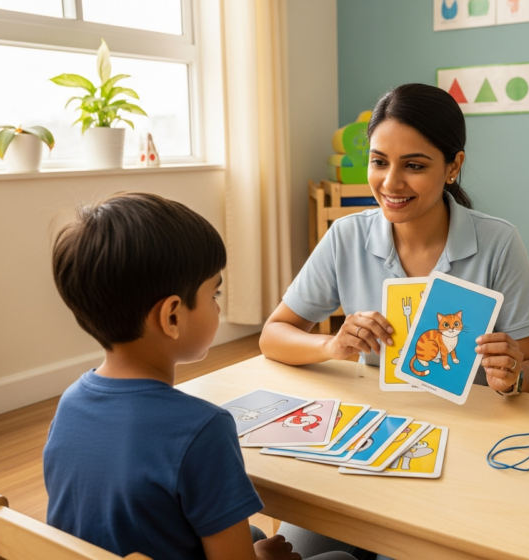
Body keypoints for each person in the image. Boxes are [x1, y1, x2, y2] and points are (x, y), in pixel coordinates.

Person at [44, 193, 356, 560]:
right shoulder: (203, 429)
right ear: (172, 316)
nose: (218, 305)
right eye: (214, 292)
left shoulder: (70, 404)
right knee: (341, 558)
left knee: (251, 530)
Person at [261, 83, 529, 395]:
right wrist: (331, 345)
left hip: (473, 419)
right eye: (379, 162)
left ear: (453, 166)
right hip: (380, 417)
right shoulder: (346, 236)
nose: (390, 183)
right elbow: (273, 335)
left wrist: (512, 378)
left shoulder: (499, 242)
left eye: (414, 166)